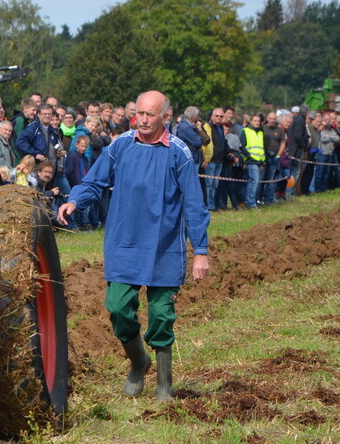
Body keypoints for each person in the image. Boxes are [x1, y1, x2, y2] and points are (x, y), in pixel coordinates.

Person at [57, 91, 209, 402]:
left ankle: (164, 384)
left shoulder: (180, 153)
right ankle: (139, 361)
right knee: (118, 307)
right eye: (139, 113)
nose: (141, 119)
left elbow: (195, 205)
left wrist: (201, 252)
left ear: (165, 117)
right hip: (124, 242)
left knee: (161, 315)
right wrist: (75, 200)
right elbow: (95, 181)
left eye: (149, 115)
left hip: (165, 246)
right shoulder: (121, 145)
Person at [239, 113, 265, 209]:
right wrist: (248, 156)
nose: (257, 123)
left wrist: (263, 160)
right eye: (255, 121)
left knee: (253, 181)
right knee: (254, 181)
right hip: (251, 161)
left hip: (259, 160)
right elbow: (241, 145)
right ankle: (251, 203)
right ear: (251, 121)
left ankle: (249, 201)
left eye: (258, 121)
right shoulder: (246, 131)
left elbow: (261, 147)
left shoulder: (261, 132)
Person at [261, 111, 286, 204]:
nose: (272, 120)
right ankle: (259, 199)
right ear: (267, 119)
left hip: (274, 158)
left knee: (271, 180)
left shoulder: (280, 131)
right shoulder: (262, 128)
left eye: (274, 119)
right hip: (263, 157)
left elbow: (283, 144)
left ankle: (268, 199)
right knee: (261, 180)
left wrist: (278, 156)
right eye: (271, 119)